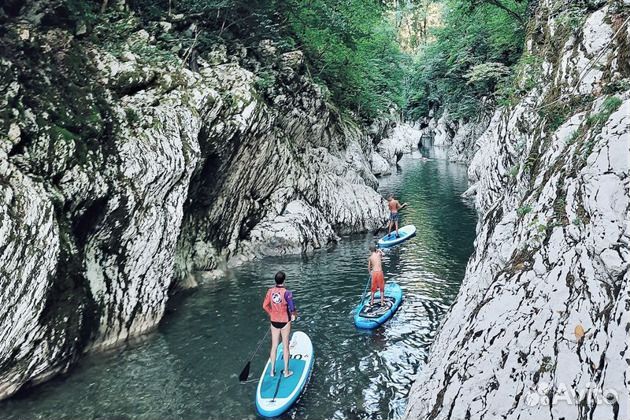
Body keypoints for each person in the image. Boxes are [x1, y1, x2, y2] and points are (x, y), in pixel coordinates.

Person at [262, 271, 297, 378]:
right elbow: (292, 308)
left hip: (274, 321)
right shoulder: (287, 293)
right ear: (284, 280)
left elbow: (265, 305)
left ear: (275, 280)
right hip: (285, 321)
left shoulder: (270, 291)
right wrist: (294, 315)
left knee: (274, 346)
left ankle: (272, 371)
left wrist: (271, 313)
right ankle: (286, 372)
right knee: (286, 346)